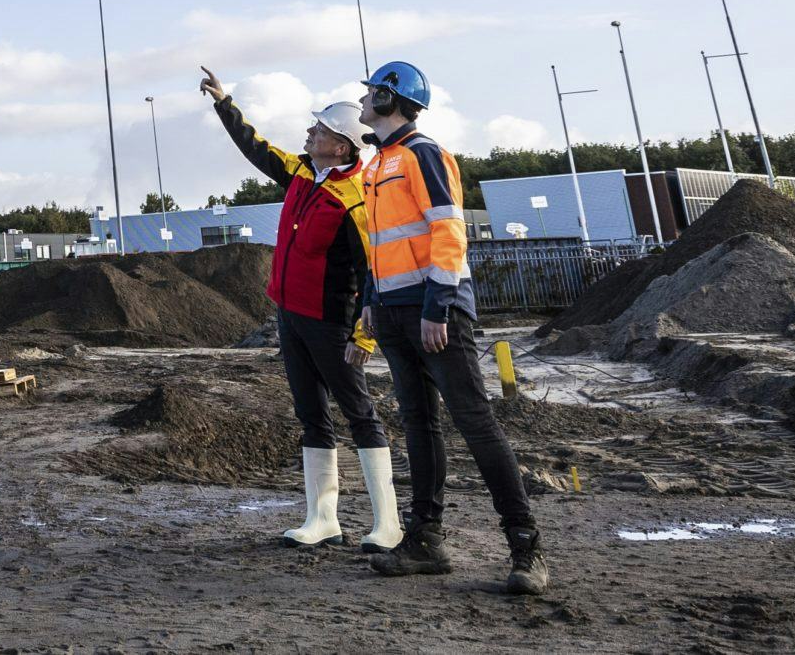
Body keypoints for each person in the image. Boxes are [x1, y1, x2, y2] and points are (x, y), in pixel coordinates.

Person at [351, 60, 550, 597]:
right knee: (418, 423)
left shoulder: (423, 154)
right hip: (392, 311)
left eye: (370, 92)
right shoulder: (377, 163)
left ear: (390, 99)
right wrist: (370, 300)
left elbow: (448, 231)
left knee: (475, 422)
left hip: (432, 310)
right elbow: (379, 244)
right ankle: (426, 541)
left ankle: (526, 545)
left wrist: (437, 307)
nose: (363, 100)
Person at [198, 67, 400, 552]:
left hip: (332, 324)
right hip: (290, 317)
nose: (310, 132)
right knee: (311, 415)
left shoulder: (356, 198)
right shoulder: (302, 171)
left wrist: (364, 336)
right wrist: (225, 103)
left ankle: (388, 524)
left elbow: (373, 272)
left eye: (320, 129)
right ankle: (322, 518)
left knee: (360, 414)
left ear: (342, 147)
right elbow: (256, 147)